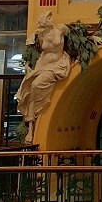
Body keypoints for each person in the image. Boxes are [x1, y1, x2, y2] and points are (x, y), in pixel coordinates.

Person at [15, 11, 71, 144]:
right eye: (48, 18)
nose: (51, 19)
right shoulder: (40, 34)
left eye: (50, 17)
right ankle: (31, 123)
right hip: (42, 65)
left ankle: (32, 119)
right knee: (29, 86)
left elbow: (72, 34)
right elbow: (33, 48)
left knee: (35, 85)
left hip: (56, 66)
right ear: (44, 22)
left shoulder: (60, 28)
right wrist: (28, 64)